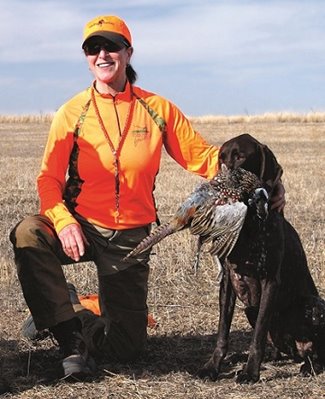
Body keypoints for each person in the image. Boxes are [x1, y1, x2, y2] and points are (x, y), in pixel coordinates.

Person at [10, 15, 286, 380]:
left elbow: (205, 158)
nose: (102, 54)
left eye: (111, 46)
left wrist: (269, 178)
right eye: (94, 48)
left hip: (129, 240)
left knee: (126, 350)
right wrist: (63, 222)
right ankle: (68, 337)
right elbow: (48, 178)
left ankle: (74, 306)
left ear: (128, 52)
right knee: (28, 233)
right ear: (87, 57)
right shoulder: (72, 112)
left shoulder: (157, 109)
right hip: (79, 224)